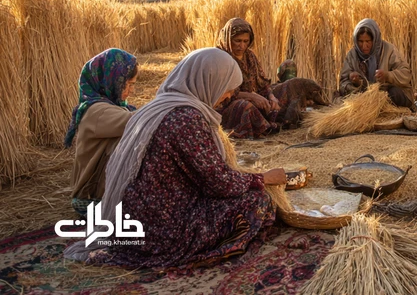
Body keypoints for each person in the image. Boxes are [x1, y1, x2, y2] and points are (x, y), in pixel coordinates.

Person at [64, 48, 286, 269]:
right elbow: (220, 183)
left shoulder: (162, 105)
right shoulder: (186, 118)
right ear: (207, 81)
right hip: (160, 229)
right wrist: (263, 178)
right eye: (227, 89)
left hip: (140, 216)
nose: (228, 96)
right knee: (258, 201)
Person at [65, 48, 138, 218]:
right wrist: (165, 105)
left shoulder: (113, 107)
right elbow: (137, 121)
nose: (132, 90)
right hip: (91, 199)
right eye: (129, 84)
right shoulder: (97, 111)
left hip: (100, 194)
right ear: (112, 80)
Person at [215, 17, 282, 138]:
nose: (242, 46)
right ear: (227, 39)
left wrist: (271, 97)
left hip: (252, 99)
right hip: (225, 108)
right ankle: (264, 128)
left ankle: (267, 125)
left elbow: (262, 82)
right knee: (245, 106)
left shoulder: (250, 56)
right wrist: (251, 96)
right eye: (237, 41)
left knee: (276, 103)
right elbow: (220, 93)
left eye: (246, 41)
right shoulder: (219, 58)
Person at [338, 18, 413, 108]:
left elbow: (406, 74)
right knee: (342, 99)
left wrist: (387, 75)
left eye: (368, 41)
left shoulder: (389, 50)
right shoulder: (352, 55)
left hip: (387, 95)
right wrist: (355, 83)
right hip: (364, 98)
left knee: (394, 94)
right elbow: (343, 84)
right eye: (360, 41)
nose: (364, 46)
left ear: (375, 39)